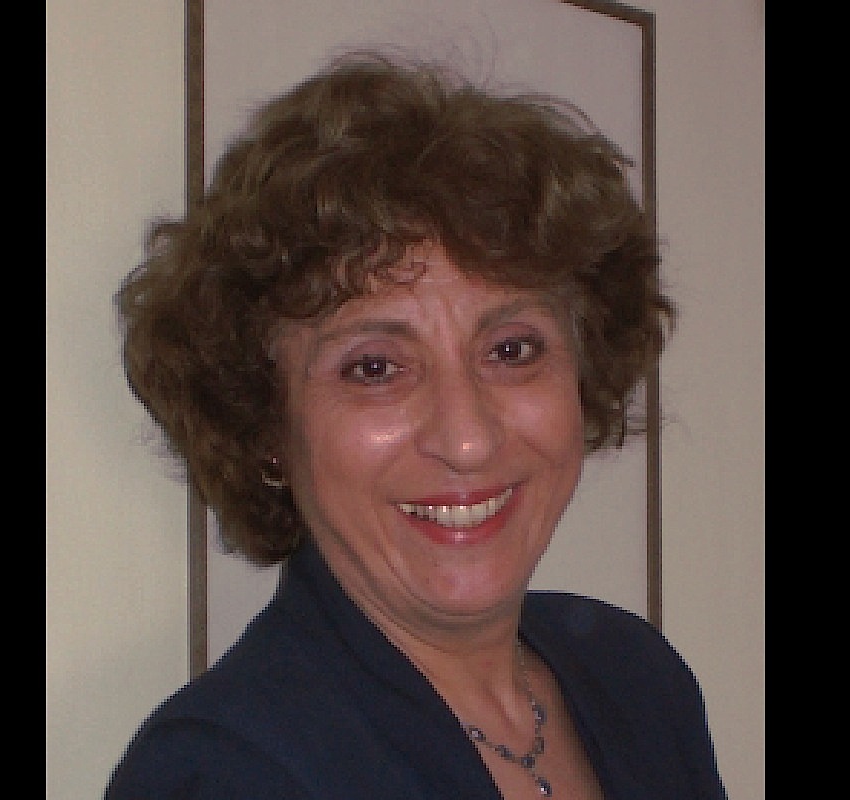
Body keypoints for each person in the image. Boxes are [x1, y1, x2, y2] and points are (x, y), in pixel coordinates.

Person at [106, 51, 726, 799]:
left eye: (511, 350)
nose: (467, 438)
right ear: (265, 425)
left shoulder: (639, 682)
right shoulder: (229, 773)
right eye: (375, 368)